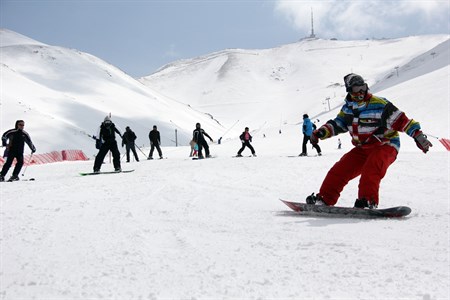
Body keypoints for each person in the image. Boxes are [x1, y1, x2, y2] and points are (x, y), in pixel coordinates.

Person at [307, 73, 432, 209]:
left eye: (363, 87)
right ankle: (324, 199)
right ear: (349, 91)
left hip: (386, 145)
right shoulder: (348, 109)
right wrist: (321, 132)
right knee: (340, 170)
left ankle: (367, 201)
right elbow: (338, 124)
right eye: (356, 89)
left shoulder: (379, 105)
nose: (361, 92)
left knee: (371, 168)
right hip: (363, 148)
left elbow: (402, 121)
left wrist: (417, 135)